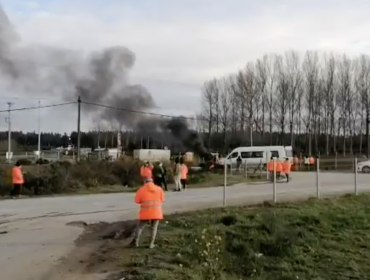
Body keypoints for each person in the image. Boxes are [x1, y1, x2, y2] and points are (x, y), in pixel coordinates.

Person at [131, 178, 165, 249]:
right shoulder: (159, 189)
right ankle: (151, 244)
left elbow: (137, 201)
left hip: (145, 213)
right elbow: (162, 199)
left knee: (140, 227)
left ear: (145, 182)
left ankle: (135, 242)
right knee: (154, 228)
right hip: (156, 212)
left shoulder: (141, 190)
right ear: (153, 182)